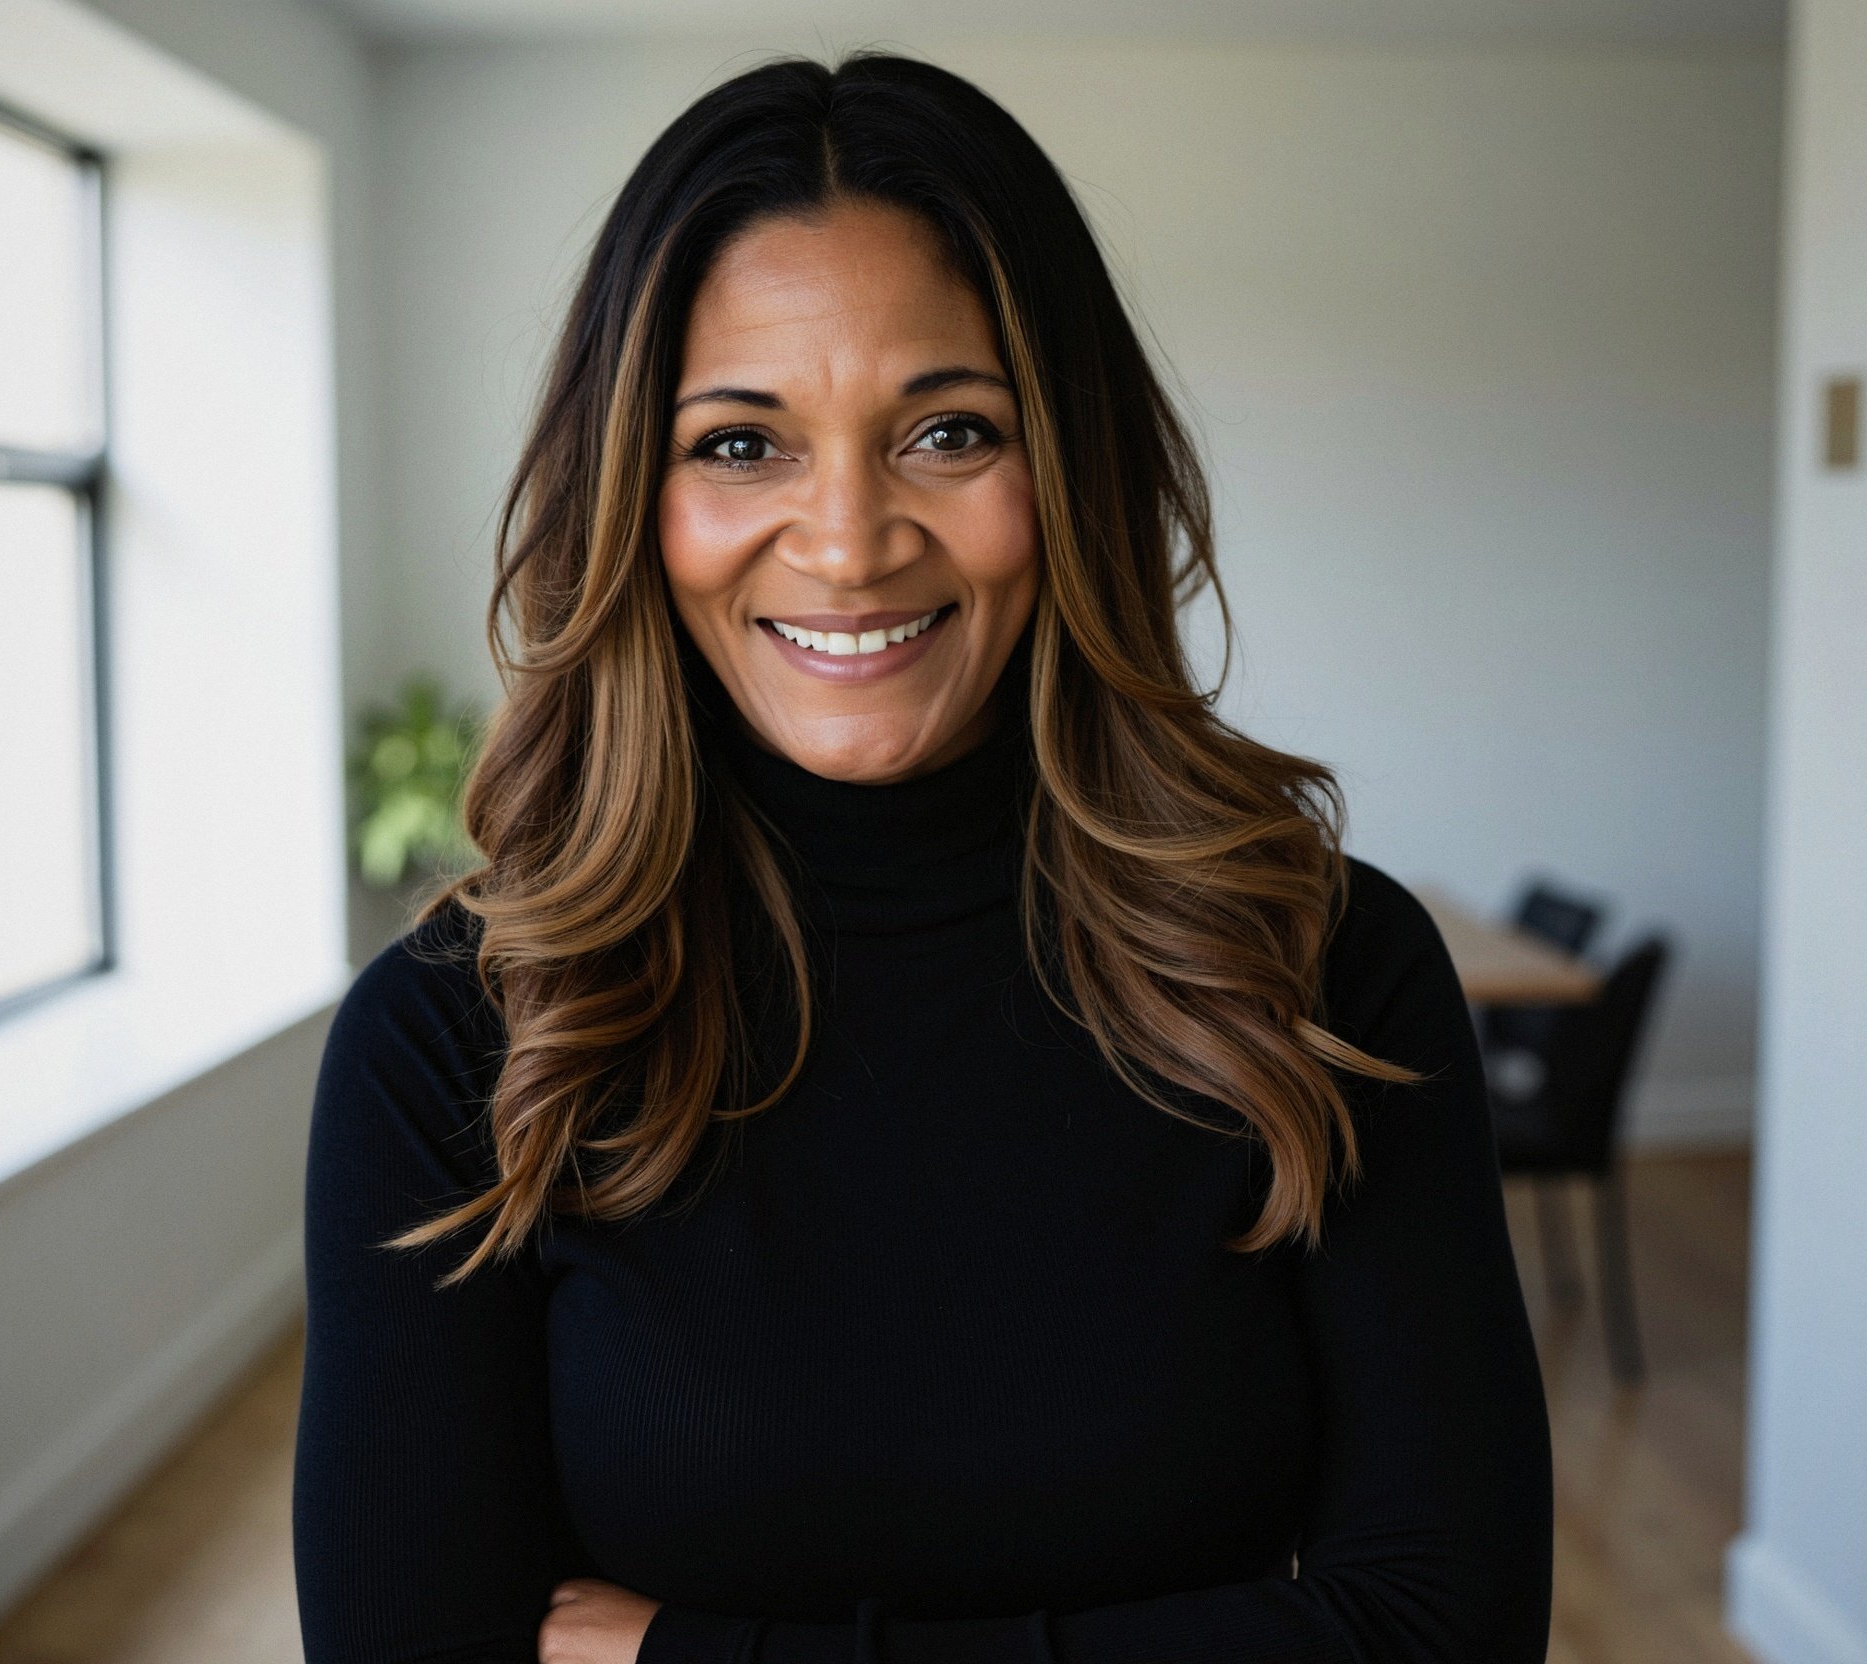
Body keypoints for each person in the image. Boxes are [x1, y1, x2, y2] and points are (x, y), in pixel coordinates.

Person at [292, 50, 1553, 1664]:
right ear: (628, 500)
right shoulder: (457, 1036)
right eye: (739, 444)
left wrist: (695, 1658)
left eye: (949, 431)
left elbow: (1450, 1632)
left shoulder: (1322, 970)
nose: (848, 540)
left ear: (1073, 469)